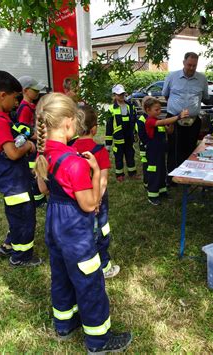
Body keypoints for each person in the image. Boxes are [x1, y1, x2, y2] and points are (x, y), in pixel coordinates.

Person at [34, 93, 132, 353]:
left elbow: (43, 188)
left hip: (54, 222)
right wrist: (97, 172)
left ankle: (64, 324)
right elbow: (90, 204)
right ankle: (99, 340)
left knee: (62, 275)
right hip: (74, 228)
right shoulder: (75, 164)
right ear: (67, 122)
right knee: (90, 281)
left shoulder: (44, 154)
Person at [0, 70, 42, 267]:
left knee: (16, 214)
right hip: (13, 181)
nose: (17, 103)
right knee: (24, 218)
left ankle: (9, 245)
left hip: (12, 179)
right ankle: (21, 257)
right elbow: (13, 153)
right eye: (15, 98)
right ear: (2, 95)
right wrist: (29, 146)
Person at [72, 105, 120, 279]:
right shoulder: (100, 151)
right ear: (94, 129)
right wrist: (98, 201)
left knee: (83, 231)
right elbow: (103, 181)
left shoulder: (70, 149)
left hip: (78, 198)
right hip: (97, 200)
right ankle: (104, 266)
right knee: (101, 231)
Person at [163, 52, 209, 182]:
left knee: (190, 148)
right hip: (174, 119)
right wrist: (177, 111)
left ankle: (186, 176)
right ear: (184, 62)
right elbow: (166, 95)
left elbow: (204, 97)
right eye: (189, 65)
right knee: (174, 148)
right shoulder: (172, 76)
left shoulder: (202, 79)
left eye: (194, 65)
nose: (191, 68)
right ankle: (171, 177)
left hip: (193, 121)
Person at [143, 97, 188, 205]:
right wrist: (177, 117)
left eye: (160, 109)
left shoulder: (159, 122)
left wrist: (172, 123)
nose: (159, 112)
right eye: (156, 110)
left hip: (160, 151)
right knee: (154, 173)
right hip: (153, 152)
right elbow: (163, 121)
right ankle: (152, 195)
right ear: (148, 110)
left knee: (162, 171)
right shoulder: (150, 121)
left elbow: (169, 131)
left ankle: (162, 192)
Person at [17, 75, 47, 207]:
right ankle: (38, 200)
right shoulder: (24, 108)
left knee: (37, 171)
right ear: (25, 91)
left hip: (36, 143)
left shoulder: (30, 106)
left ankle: (39, 198)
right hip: (31, 146)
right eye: (34, 90)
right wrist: (39, 136)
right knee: (34, 173)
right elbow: (23, 129)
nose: (37, 92)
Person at [105, 84, 137, 182]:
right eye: (119, 94)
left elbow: (135, 122)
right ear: (114, 95)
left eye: (123, 94)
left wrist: (136, 134)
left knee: (130, 154)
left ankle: (132, 173)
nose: (121, 96)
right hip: (118, 138)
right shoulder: (111, 109)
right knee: (118, 157)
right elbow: (109, 128)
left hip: (129, 137)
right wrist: (108, 145)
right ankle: (119, 174)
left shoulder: (131, 107)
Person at [135, 111, 149, 189]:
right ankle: (146, 183)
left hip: (150, 147)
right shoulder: (141, 120)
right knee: (146, 165)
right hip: (145, 147)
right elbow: (141, 135)